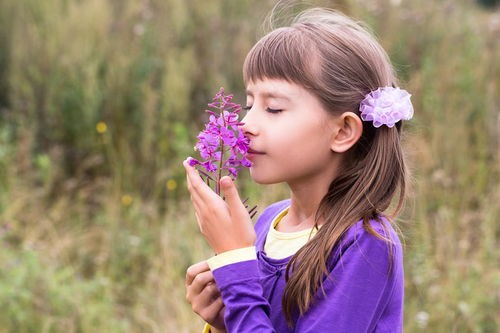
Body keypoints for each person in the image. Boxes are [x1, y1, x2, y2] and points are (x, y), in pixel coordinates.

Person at [183, 7, 413, 333]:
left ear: (343, 132)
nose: (246, 125)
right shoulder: (267, 223)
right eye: (249, 105)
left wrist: (235, 261)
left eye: (273, 108)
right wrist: (224, 321)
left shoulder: (365, 244)